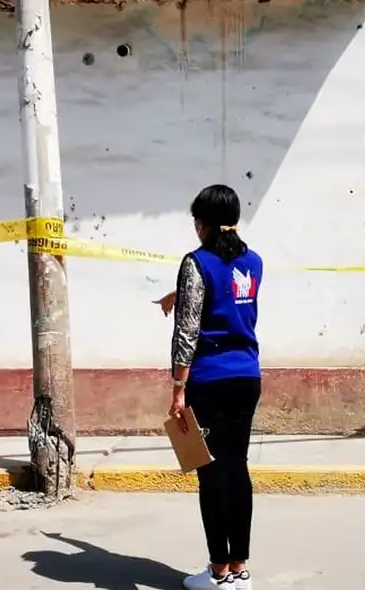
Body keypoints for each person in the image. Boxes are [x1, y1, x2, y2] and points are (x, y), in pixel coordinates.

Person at [155, 184, 263, 590]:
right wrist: (181, 293)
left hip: (210, 380)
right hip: (247, 377)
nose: (195, 227)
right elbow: (227, 299)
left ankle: (217, 573)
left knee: (211, 473)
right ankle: (240, 568)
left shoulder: (195, 262)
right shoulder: (253, 262)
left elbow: (187, 332)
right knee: (237, 468)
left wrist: (178, 388)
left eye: (197, 220)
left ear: (205, 223)